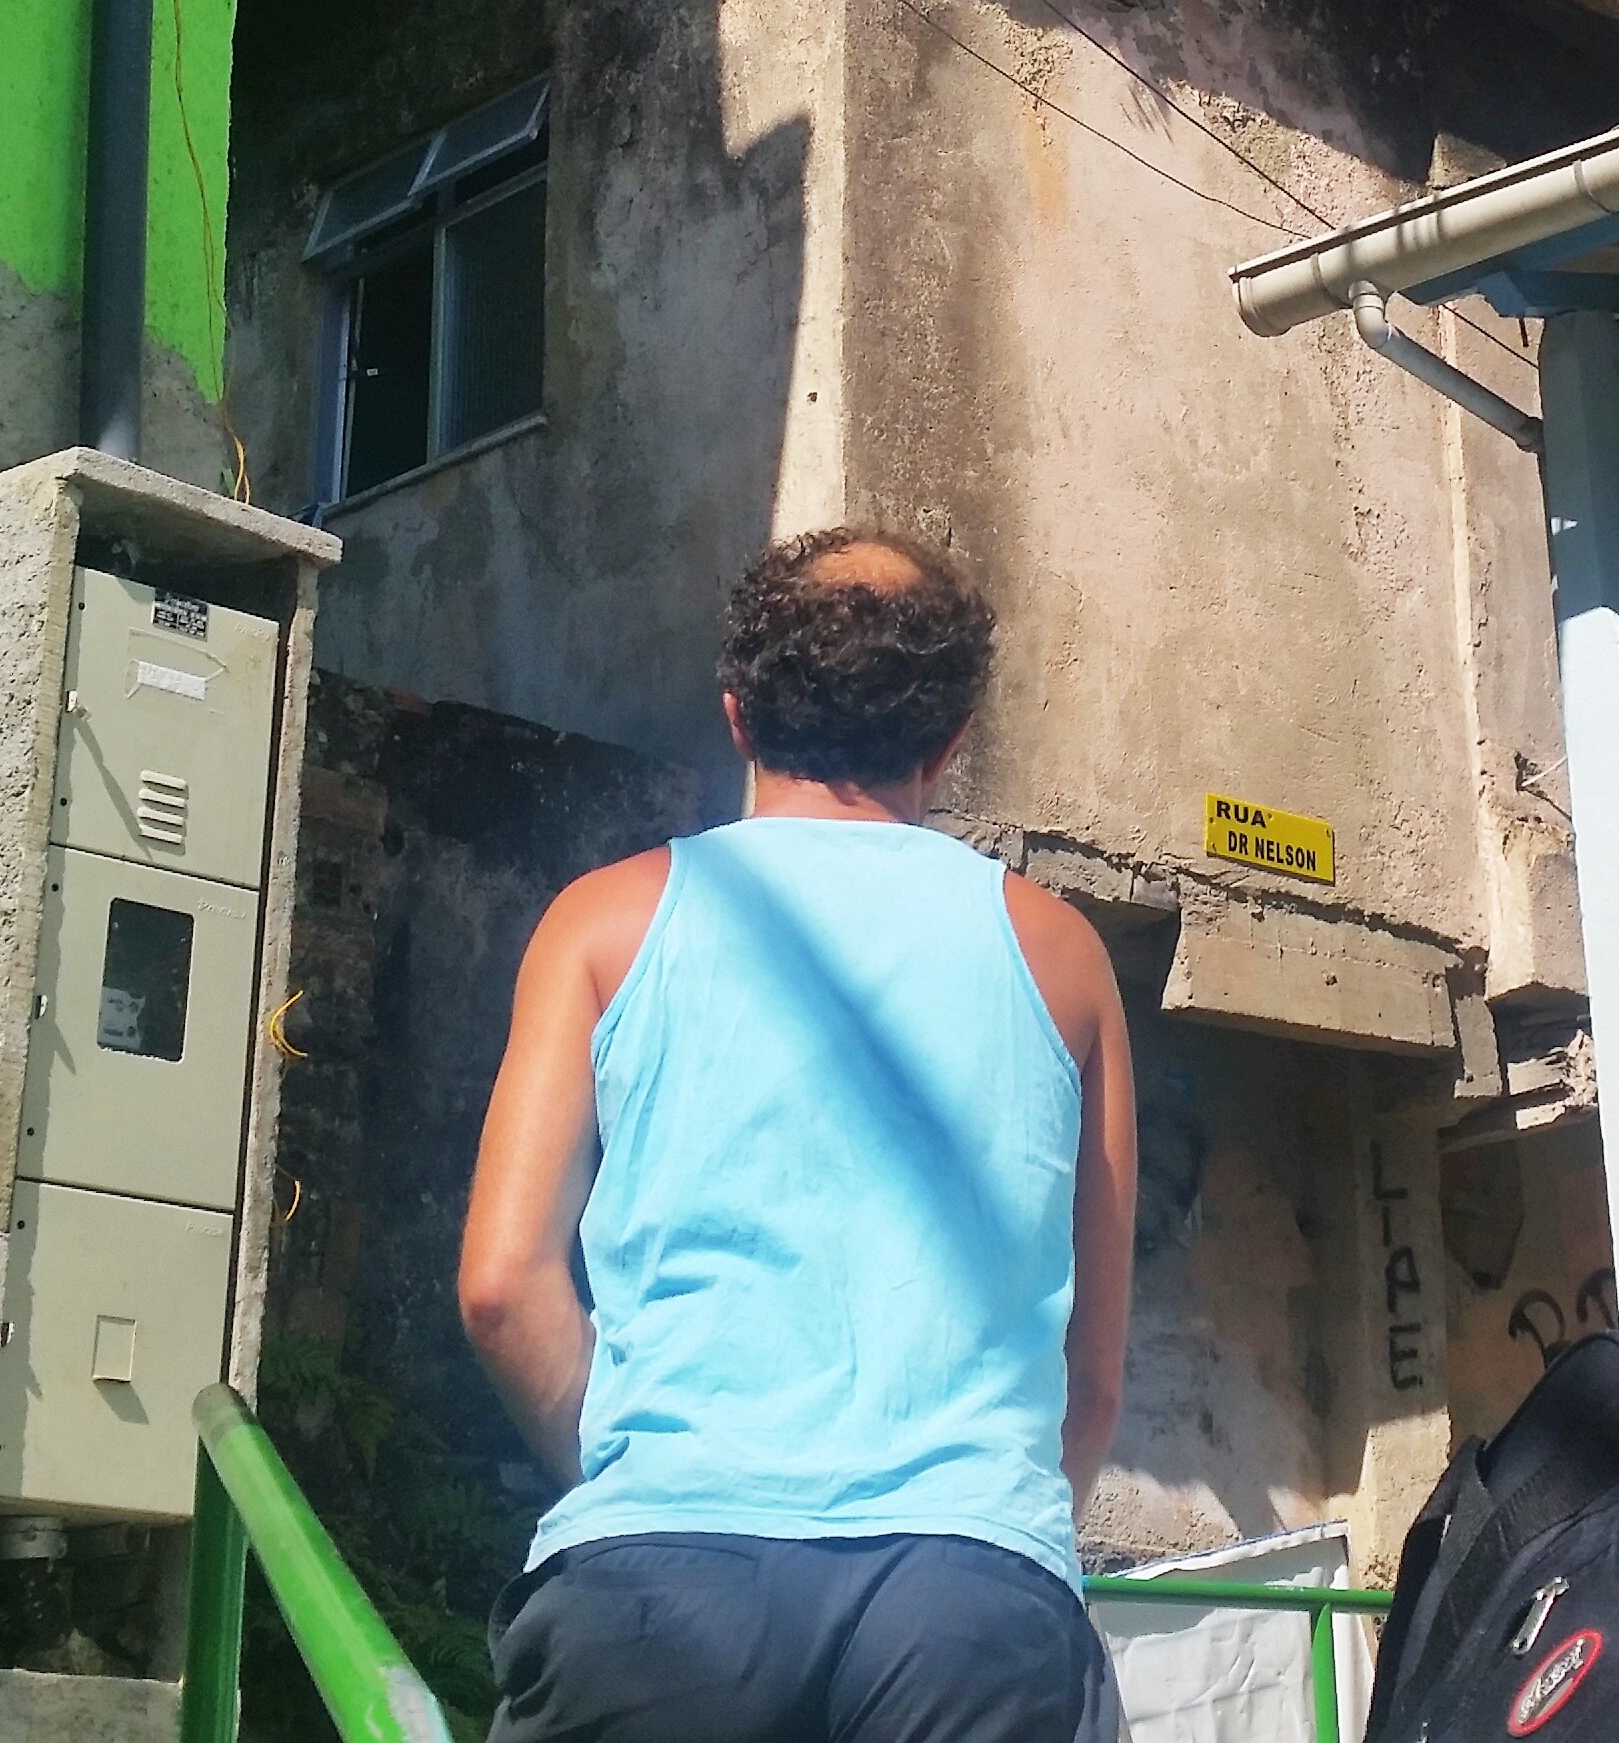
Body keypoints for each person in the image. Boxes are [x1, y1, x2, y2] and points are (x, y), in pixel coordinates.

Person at [458, 528, 1137, 1743]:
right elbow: (1091, 1378)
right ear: (950, 741)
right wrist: (996, 1535)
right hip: (971, 1602)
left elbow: (505, 1287)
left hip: (657, 1590)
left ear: (736, 714)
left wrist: (644, 1478)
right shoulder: (1065, 956)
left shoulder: (602, 924)